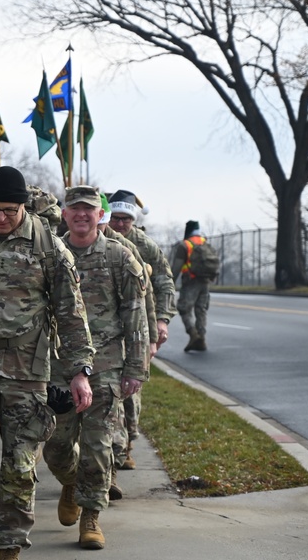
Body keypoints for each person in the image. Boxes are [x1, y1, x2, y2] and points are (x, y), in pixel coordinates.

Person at [0, 166, 95, 560]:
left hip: (27, 370)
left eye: (9, 211)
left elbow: (71, 313)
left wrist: (79, 371)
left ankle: (10, 546)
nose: (0, 218)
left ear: (24, 207)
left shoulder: (48, 245)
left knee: (20, 465)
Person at [43, 185, 148, 551]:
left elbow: (135, 315)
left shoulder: (119, 257)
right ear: (65, 214)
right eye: (75, 209)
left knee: (99, 445)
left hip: (105, 366)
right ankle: (71, 481)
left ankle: (91, 515)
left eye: (89, 209)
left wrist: (136, 367)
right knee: (55, 446)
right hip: (59, 367)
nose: (82, 215)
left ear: (99, 214)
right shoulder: (50, 253)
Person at [106, 189, 177, 470]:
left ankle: (127, 442)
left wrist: (161, 320)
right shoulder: (98, 239)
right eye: (116, 217)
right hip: (107, 331)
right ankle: (114, 450)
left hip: (137, 329)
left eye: (126, 218)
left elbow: (165, 283)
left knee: (131, 394)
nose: (120, 223)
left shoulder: (144, 246)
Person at [170, 220, 216, 352]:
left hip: (191, 281)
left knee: (184, 308)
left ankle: (193, 335)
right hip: (205, 281)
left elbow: (176, 268)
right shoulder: (204, 242)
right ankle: (201, 338)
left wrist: (169, 284)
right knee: (201, 309)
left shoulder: (185, 245)